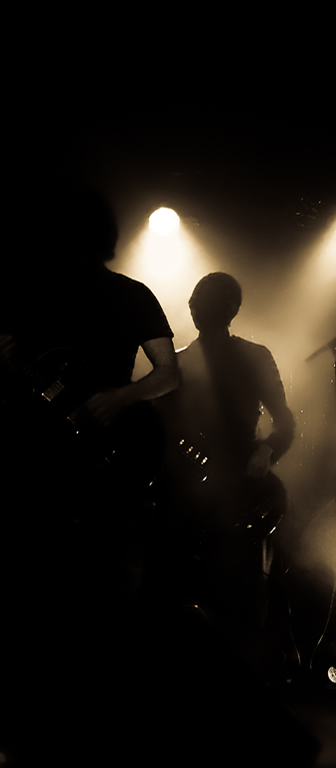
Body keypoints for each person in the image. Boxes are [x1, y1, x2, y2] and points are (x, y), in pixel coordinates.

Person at [0, 184, 180, 764]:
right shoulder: (26, 297)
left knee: (110, 581)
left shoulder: (130, 294)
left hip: (107, 462)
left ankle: (106, 717)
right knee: (44, 588)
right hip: (41, 463)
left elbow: (169, 374)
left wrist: (120, 398)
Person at [157, 272, 296, 671]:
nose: (197, 309)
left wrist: (266, 451)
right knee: (185, 588)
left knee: (241, 592)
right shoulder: (177, 363)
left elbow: (285, 422)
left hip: (239, 492)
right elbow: (162, 428)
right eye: (196, 302)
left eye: (207, 302)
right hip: (189, 492)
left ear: (232, 309)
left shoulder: (254, 356)